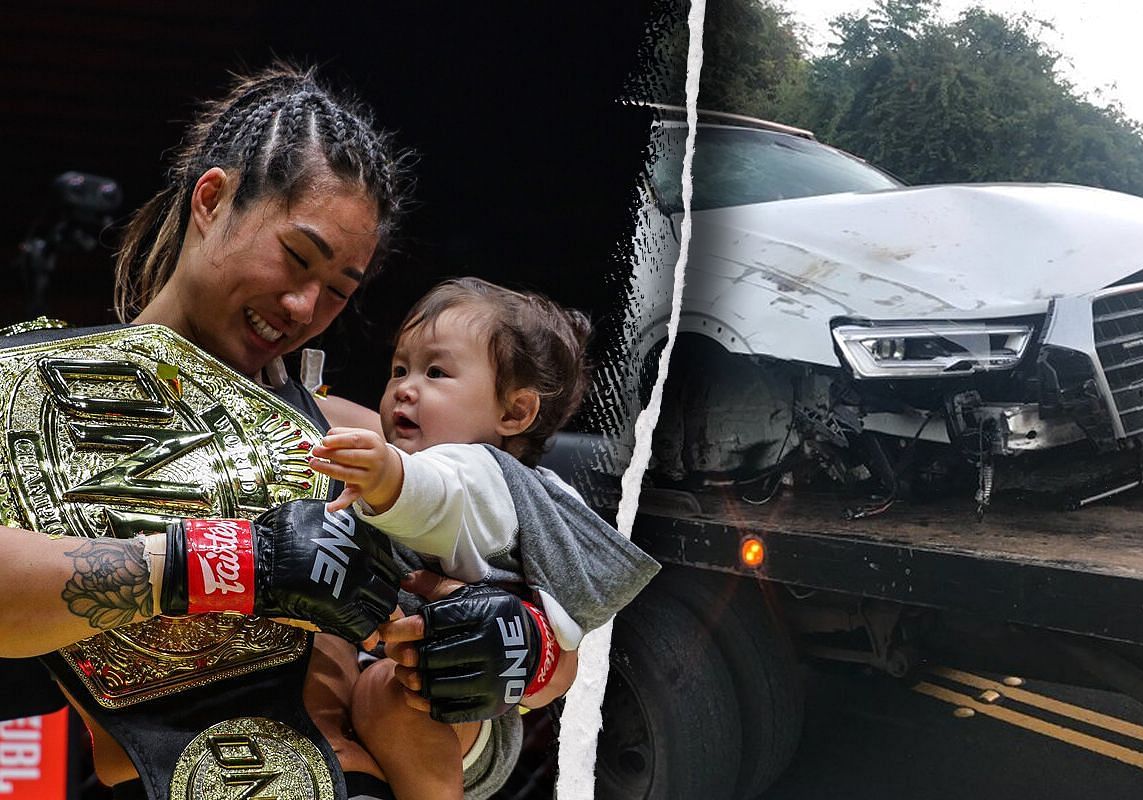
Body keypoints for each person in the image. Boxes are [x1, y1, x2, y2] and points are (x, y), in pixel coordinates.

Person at [0, 63, 554, 800]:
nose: (303, 306)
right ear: (213, 198)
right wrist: (231, 561)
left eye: (338, 291)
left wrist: (518, 650)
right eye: (297, 258)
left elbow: (564, 595)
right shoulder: (26, 388)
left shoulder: (349, 436)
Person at [307, 277, 660, 799]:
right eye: (399, 369)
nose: (405, 386)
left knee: (388, 691)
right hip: (428, 698)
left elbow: (436, 495)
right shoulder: (510, 481)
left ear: (514, 413)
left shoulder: (480, 474)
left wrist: (386, 477)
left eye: (436, 372)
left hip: (451, 713)